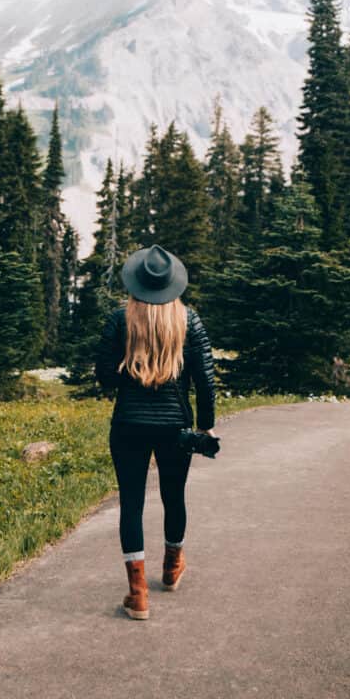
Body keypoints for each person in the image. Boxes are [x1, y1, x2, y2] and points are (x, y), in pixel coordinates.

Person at [94, 243, 217, 621]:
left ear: (136, 283)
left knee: (131, 504)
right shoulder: (188, 321)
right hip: (174, 427)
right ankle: (171, 567)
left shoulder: (120, 320)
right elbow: (205, 380)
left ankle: (138, 593)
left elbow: (103, 377)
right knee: (173, 496)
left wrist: (130, 370)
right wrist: (205, 425)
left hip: (128, 424)